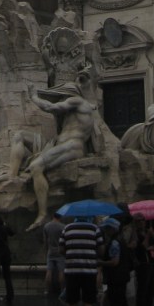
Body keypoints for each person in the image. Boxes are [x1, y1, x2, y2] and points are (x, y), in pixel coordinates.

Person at [26, 73, 102, 228]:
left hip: (72, 146)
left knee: (36, 166)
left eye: (61, 96)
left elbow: (50, 107)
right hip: (66, 146)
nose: (61, 99)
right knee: (32, 166)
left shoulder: (76, 101)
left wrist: (34, 97)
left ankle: (42, 214)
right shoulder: (79, 109)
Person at [59, 214, 104, 306]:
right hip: (89, 271)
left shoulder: (67, 228)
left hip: (72, 271)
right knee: (88, 302)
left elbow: (61, 249)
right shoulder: (95, 229)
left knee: (71, 302)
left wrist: (72, 252)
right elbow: (101, 251)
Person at [98, 217, 132, 306]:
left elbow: (114, 262)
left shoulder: (114, 243)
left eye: (107, 228)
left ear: (111, 229)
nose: (105, 231)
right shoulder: (121, 240)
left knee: (116, 304)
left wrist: (100, 262)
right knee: (122, 302)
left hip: (115, 277)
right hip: (122, 276)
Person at [128, 215, 154, 306]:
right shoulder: (135, 234)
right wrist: (148, 236)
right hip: (142, 265)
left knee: (150, 293)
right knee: (142, 293)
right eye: (138, 221)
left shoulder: (148, 231)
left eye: (142, 220)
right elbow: (142, 246)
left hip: (151, 263)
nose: (141, 223)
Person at [42, 210, 65, 295]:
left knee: (49, 271)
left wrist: (45, 251)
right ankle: (62, 290)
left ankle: (46, 290)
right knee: (61, 271)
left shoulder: (46, 226)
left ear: (53, 216)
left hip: (50, 251)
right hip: (60, 252)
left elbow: (45, 241)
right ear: (60, 217)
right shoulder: (63, 227)